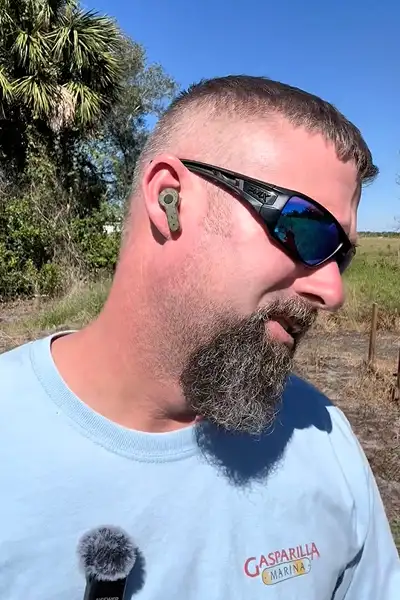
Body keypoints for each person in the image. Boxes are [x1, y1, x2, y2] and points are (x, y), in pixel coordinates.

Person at [0, 75, 399, 599]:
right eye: (306, 230)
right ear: (169, 198)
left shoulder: (327, 442)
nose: (333, 290)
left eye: (340, 256)